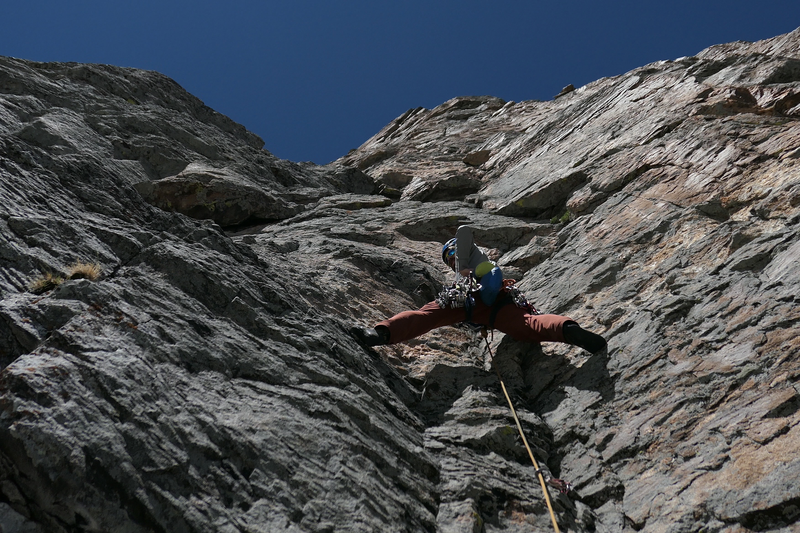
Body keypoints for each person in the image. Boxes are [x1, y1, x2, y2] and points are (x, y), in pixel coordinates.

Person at [351, 225, 607, 354]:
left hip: (466, 300)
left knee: (426, 316)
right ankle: (569, 330)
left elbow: (464, 238)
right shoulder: (479, 265)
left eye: (450, 257)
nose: (451, 260)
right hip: (499, 303)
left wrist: (465, 271)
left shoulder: (466, 265)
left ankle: (380, 334)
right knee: (528, 324)